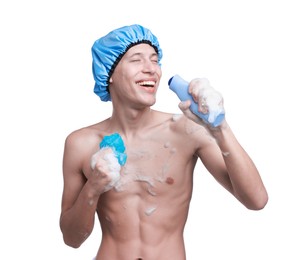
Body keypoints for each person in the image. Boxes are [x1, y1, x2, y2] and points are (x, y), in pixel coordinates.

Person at [59, 24, 268, 260]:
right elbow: (71, 239)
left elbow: (257, 200)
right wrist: (93, 187)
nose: (151, 69)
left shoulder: (187, 130)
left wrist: (220, 129)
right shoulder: (81, 144)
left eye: (155, 60)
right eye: (137, 60)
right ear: (109, 74)